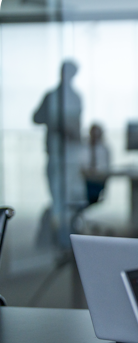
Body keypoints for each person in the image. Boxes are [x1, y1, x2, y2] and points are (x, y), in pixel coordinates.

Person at [33, 60, 84, 248]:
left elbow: (78, 126)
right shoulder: (52, 96)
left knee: (70, 199)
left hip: (72, 156)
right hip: (56, 154)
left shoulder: (76, 97)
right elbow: (36, 118)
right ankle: (60, 240)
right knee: (58, 199)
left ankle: (68, 238)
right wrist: (56, 123)